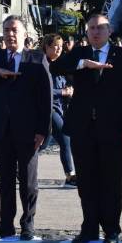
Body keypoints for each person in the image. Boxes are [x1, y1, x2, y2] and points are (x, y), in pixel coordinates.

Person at [50, 13, 122, 243]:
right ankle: (89, 228)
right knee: (87, 181)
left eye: (100, 28)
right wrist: (83, 64)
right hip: (82, 129)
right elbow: (56, 67)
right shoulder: (80, 54)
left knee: (111, 181)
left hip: (113, 129)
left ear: (109, 31)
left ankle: (112, 229)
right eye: (91, 28)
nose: (96, 32)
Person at [0, 15, 51, 241]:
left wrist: (43, 130)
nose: (10, 34)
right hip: (1, 130)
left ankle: (28, 224)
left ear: (25, 34)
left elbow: (46, 97)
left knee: (28, 181)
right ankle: (6, 225)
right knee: (5, 181)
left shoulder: (36, 58)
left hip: (28, 131)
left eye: (14, 30)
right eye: (6, 30)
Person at [40, 33, 76, 186]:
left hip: (58, 108)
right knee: (65, 138)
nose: (59, 49)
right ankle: (70, 175)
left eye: (61, 46)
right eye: (55, 46)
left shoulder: (60, 64)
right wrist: (62, 92)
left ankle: (22, 165)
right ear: (46, 47)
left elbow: (64, 85)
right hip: (47, 109)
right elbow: (42, 90)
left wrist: (69, 90)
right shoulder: (42, 64)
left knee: (42, 144)